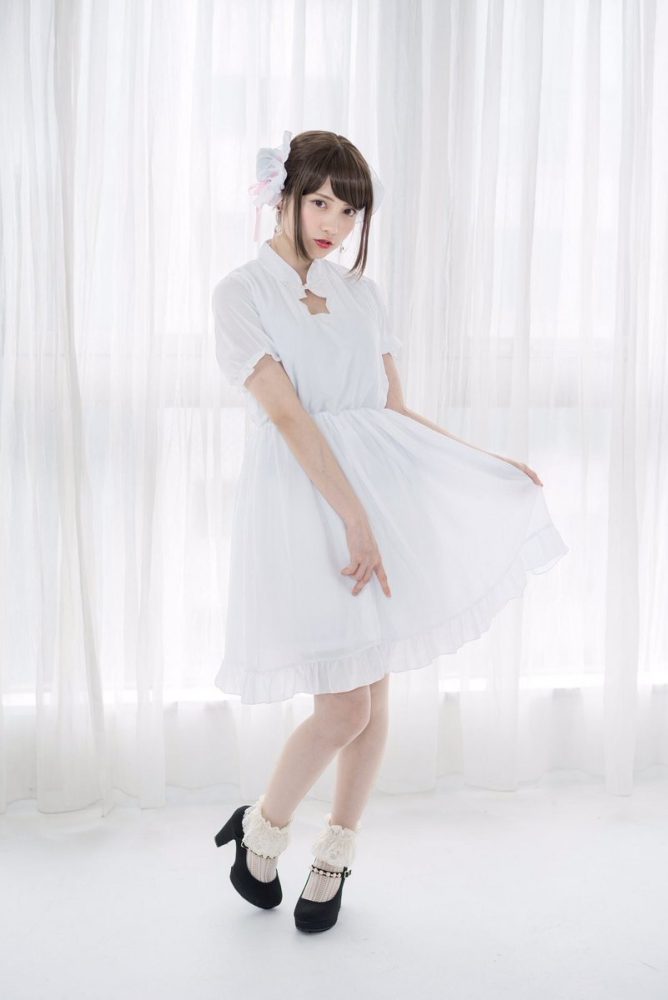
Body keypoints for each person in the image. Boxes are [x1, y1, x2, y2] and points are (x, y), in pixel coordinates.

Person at [211, 130, 568, 933]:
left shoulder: (361, 296)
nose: (334, 224)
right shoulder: (241, 293)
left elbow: (393, 411)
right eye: (319, 203)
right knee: (343, 707)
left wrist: (487, 461)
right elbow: (289, 416)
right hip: (308, 500)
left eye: (349, 210)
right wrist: (354, 518)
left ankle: (334, 855)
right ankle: (261, 830)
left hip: (381, 491)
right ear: (284, 196)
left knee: (372, 696)